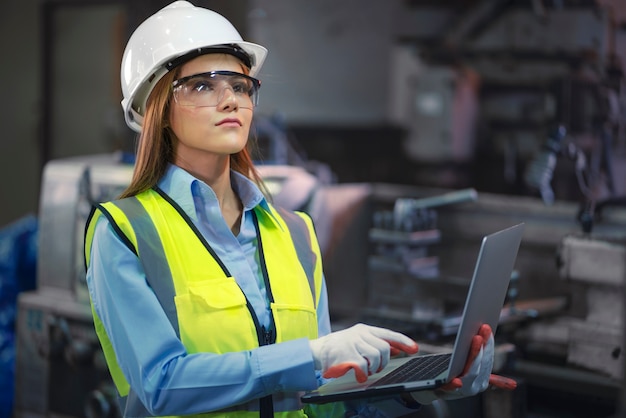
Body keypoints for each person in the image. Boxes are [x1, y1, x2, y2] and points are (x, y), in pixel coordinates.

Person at [84, 1, 514, 417]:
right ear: (157, 109)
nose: (231, 100)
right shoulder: (124, 233)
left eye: (239, 85)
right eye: (203, 85)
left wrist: (421, 391)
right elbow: (161, 384)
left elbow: (317, 402)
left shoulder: (293, 233)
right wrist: (311, 353)